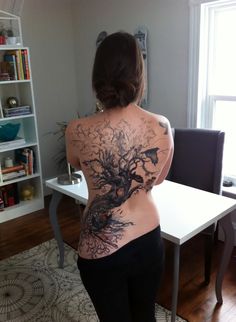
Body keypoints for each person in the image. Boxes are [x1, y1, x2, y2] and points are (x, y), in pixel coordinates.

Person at [65, 31, 174, 322]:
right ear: (139, 75)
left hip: (101, 248)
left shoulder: (76, 129)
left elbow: (76, 163)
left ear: (97, 78)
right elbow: (158, 178)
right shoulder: (161, 126)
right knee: (145, 316)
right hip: (148, 239)